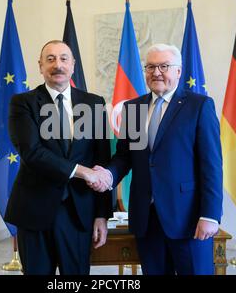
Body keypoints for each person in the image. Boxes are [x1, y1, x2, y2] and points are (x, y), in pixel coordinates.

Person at [93, 43, 223, 275]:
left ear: (178, 71)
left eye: (164, 66)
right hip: (146, 218)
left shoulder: (199, 106)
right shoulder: (133, 108)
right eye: (151, 67)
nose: (156, 72)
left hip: (188, 218)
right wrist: (107, 175)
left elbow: (211, 166)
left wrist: (210, 215)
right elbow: (124, 157)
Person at [4, 40, 112, 275]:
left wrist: (102, 215)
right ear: (40, 66)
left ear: (73, 65)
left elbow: (102, 161)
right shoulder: (22, 103)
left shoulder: (94, 103)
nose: (57, 65)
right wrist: (83, 172)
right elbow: (32, 152)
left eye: (64, 58)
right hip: (34, 209)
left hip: (79, 211)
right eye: (50, 59)